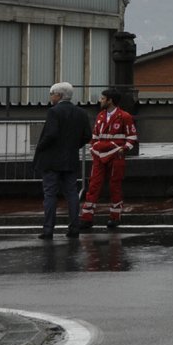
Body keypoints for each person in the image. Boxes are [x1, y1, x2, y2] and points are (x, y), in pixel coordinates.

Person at [32, 81, 91, 240]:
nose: (51, 97)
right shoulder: (81, 113)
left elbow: (51, 134)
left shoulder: (54, 112)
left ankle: (48, 229)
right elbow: (87, 136)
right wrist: (72, 146)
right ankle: (74, 228)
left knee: (50, 194)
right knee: (72, 193)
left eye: (52, 94)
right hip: (70, 159)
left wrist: (40, 148)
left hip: (51, 160)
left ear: (58, 95)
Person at [80, 88, 138, 230]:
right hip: (98, 156)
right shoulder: (100, 116)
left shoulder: (125, 116)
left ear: (110, 100)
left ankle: (115, 217)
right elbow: (94, 136)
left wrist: (123, 150)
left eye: (103, 98)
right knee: (94, 185)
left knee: (115, 186)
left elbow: (132, 138)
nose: (100, 101)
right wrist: (93, 149)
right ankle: (86, 218)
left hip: (116, 156)